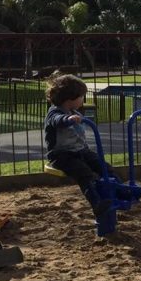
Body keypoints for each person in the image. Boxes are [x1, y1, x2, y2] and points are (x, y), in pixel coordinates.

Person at [44, 74, 113, 218]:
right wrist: (67, 119)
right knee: (84, 174)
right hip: (61, 155)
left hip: (80, 151)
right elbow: (56, 121)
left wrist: (73, 117)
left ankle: (120, 190)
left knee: (103, 166)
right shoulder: (55, 112)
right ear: (71, 98)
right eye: (82, 96)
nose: (83, 99)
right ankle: (97, 203)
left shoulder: (73, 112)